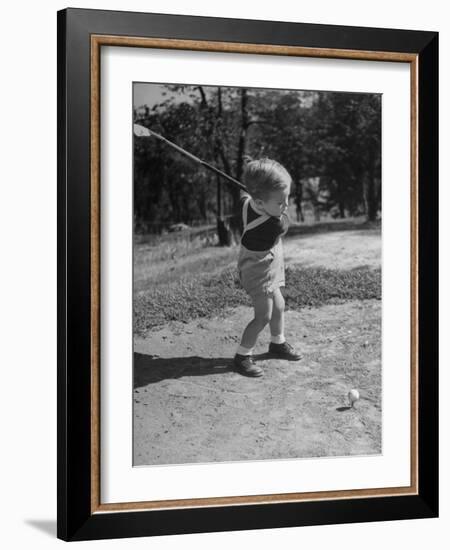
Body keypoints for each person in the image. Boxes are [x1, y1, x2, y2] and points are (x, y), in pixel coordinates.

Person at [234, 158, 301, 377]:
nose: (286, 206)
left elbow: (243, 196)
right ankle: (243, 355)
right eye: (281, 203)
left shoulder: (247, 203)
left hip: (268, 265)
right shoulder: (273, 224)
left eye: (287, 199)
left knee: (279, 306)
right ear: (260, 203)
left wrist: (255, 187)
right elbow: (285, 224)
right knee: (263, 316)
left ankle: (277, 343)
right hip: (258, 271)